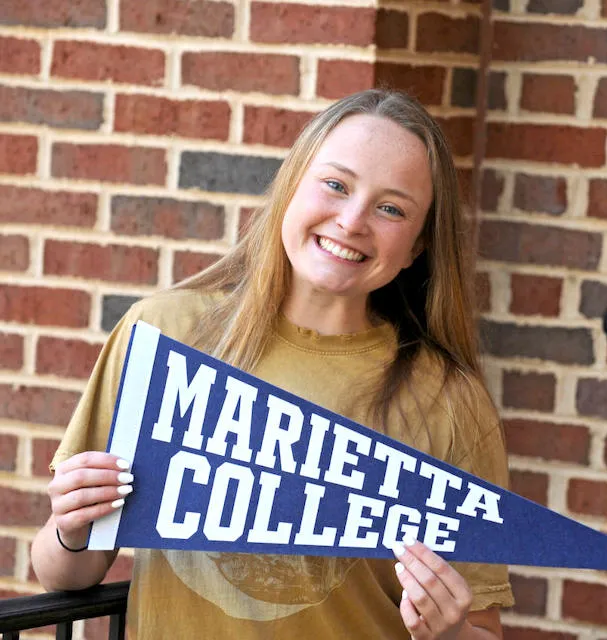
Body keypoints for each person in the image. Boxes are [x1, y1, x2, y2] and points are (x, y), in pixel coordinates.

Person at [30, 89, 514, 639]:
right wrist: (70, 528)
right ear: (292, 185)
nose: (352, 220)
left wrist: (448, 633)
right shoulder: (163, 336)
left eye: (391, 208)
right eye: (335, 184)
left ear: (418, 245)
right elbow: (63, 574)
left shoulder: (450, 400)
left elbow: (483, 630)